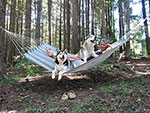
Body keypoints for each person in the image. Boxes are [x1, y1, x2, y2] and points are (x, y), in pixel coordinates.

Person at [46, 38, 112, 61]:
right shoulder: (99, 51)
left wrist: (108, 45)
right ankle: (52, 54)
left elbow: (110, 49)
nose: (101, 45)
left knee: (67, 56)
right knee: (67, 57)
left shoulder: (104, 52)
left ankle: (51, 54)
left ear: (106, 46)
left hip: (83, 59)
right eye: (101, 44)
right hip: (83, 56)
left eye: (103, 45)